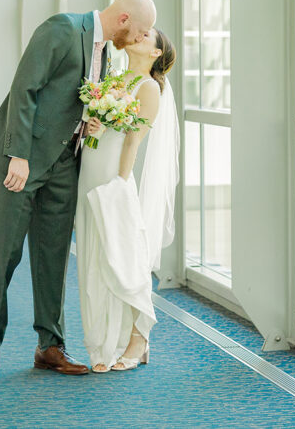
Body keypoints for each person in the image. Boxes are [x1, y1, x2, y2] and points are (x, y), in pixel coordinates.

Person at [0, 0, 156, 384]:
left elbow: (75, 100)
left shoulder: (107, 54)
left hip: (63, 164)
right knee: (3, 253)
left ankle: (49, 347)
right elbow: (25, 88)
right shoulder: (62, 28)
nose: (140, 40)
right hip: (18, 161)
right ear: (123, 19)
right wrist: (18, 154)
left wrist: (88, 122)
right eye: (139, 32)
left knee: (53, 255)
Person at [75, 27, 178, 373]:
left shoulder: (149, 89)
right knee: (95, 257)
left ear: (155, 54)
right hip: (90, 172)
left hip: (113, 178)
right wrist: (92, 123)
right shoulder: (113, 78)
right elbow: (99, 124)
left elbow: (133, 142)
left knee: (123, 258)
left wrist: (120, 184)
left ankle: (138, 337)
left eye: (148, 36)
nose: (139, 36)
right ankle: (103, 342)